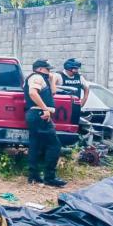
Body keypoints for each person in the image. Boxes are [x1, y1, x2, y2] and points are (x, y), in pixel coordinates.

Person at [24, 59, 67, 187]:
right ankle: (50, 177)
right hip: (40, 114)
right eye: (48, 69)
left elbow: (52, 92)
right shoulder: (37, 77)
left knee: (35, 145)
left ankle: (34, 176)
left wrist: (52, 78)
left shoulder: (41, 78)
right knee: (54, 145)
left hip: (36, 115)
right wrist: (45, 109)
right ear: (40, 69)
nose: (49, 71)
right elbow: (33, 92)